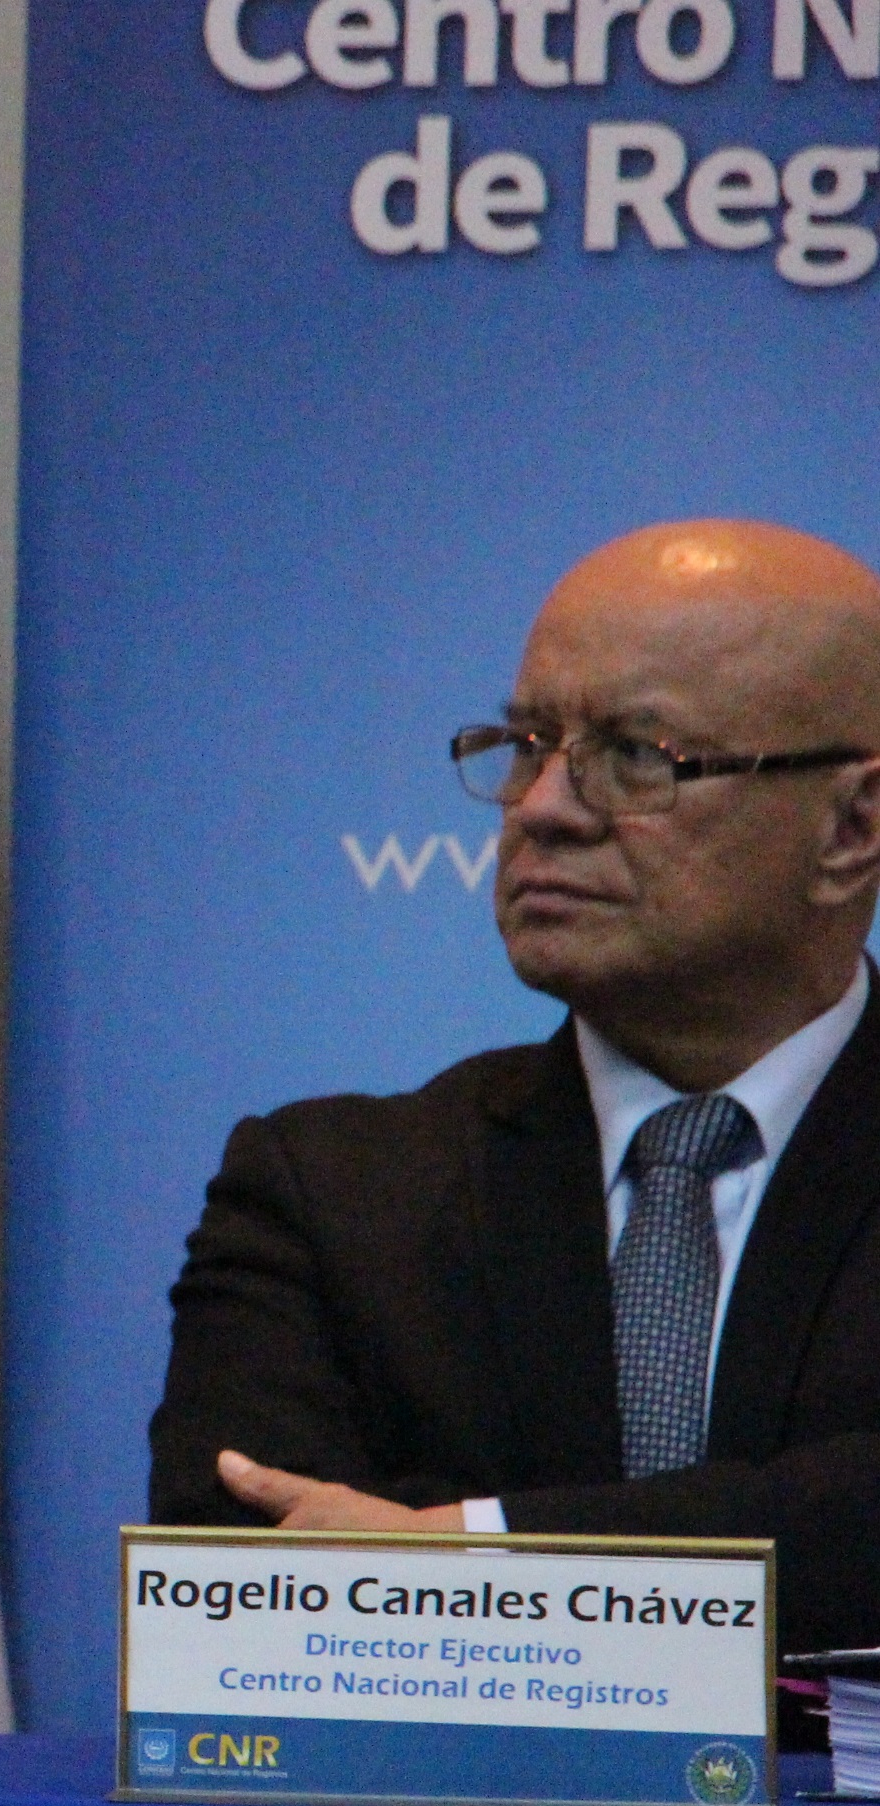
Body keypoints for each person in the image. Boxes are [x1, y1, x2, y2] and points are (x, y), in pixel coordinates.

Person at [150, 518, 880, 1661]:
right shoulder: (326, 1196)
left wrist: (462, 1548)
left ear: (849, 828)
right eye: (526, 743)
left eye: (634, 755)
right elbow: (239, 1574)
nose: (539, 806)